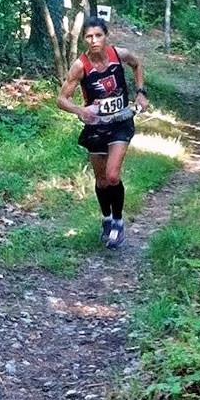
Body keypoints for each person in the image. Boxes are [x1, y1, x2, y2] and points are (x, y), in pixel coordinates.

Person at [57, 17, 149, 248]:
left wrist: (140, 93)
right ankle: (106, 218)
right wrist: (81, 111)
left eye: (98, 35)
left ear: (106, 35)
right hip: (96, 127)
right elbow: (61, 99)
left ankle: (118, 222)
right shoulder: (80, 66)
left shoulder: (119, 54)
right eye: (89, 36)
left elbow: (137, 64)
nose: (94, 40)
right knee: (101, 181)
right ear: (84, 40)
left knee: (112, 176)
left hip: (121, 122)